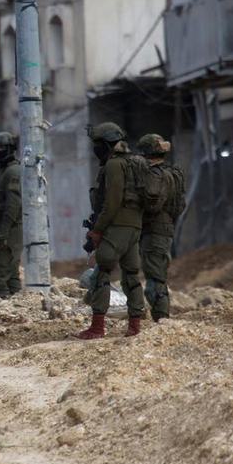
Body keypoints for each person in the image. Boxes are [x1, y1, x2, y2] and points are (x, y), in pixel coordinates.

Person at [77, 122, 146, 339]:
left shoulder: (114, 165)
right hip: (134, 227)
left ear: (106, 144)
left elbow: (112, 202)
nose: (95, 148)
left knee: (101, 272)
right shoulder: (135, 163)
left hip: (117, 226)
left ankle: (97, 328)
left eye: (97, 144)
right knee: (131, 275)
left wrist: (97, 230)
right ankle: (134, 327)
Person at [136, 133, 186, 322]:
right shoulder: (172, 173)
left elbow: (152, 204)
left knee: (155, 278)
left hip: (154, 230)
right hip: (165, 229)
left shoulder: (155, 175)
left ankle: (161, 318)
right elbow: (179, 206)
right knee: (157, 275)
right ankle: (162, 318)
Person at [0, 132, 23, 298]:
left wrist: (3, 233)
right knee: (10, 275)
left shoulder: (13, 171)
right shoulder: (1, 171)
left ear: (11, 148)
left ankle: (4, 306)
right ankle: (17, 307)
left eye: (2, 148)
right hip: (1, 225)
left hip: (10, 228)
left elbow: (13, 205)